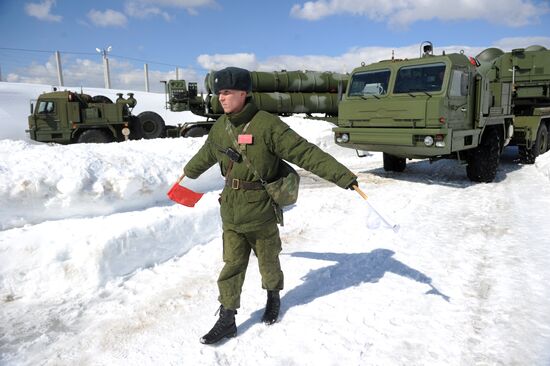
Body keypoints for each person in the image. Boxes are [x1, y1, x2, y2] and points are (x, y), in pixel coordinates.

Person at [183, 67, 358, 345]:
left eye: (227, 93)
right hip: (230, 209)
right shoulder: (220, 126)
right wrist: (187, 172)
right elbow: (206, 153)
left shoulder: (268, 125)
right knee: (232, 265)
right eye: (219, 93)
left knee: (268, 260)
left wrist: (343, 176)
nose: (222, 99)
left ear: (244, 93)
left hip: (261, 210)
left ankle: (273, 297)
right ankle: (227, 317)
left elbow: (304, 152)